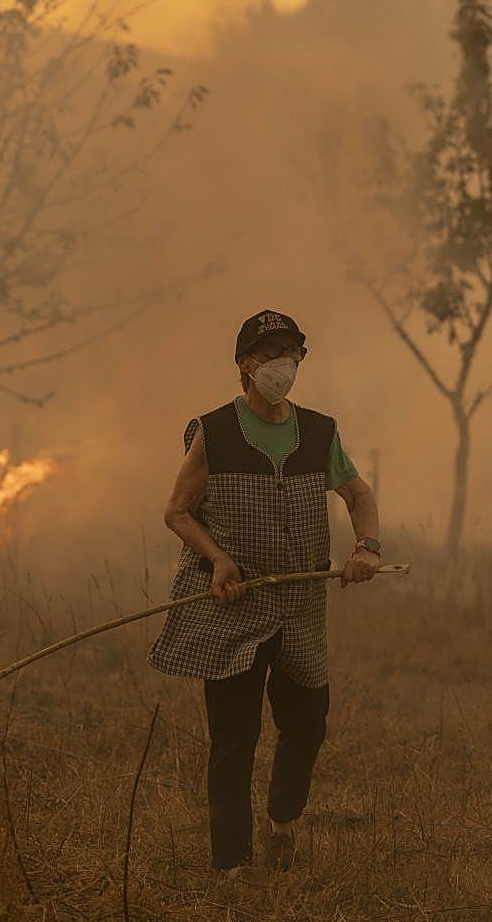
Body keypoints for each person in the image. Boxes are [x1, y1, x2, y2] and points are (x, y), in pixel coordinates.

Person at [151, 309, 383, 877]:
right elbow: (177, 512)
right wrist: (219, 560)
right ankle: (231, 864)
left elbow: (357, 495)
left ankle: (283, 823)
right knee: (233, 737)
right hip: (234, 609)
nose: (284, 363)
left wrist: (366, 548)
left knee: (308, 723)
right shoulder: (215, 433)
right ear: (244, 366)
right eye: (271, 352)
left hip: (302, 610)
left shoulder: (320, 433)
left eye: (292, 351)